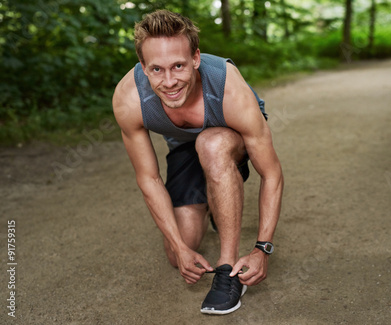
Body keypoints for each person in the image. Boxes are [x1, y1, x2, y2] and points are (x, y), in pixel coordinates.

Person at [112, 9, 283, 315]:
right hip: (186, 149)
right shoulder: (129, 98)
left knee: (212, 143)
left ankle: (227, 270)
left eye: (178, 66)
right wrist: (179, 245)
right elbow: (148, 178)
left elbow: (271, 174)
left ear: (195, 58)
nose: (169, 81)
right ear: (143, 67)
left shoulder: (228, 88)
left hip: (230, 141)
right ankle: (217, 203)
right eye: (157, 70)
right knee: (177, 252)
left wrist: (262, 249)